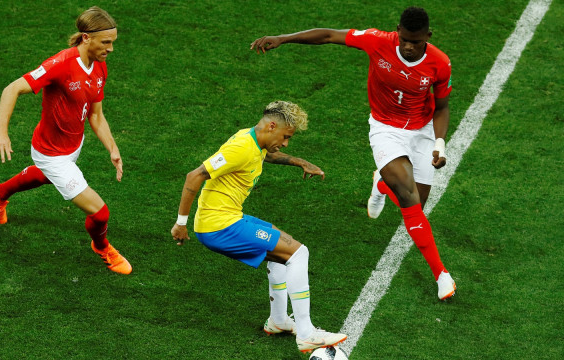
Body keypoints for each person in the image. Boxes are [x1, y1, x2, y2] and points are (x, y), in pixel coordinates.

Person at [250, 7, 456, 300]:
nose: (408, 47)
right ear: (397, 31)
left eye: (416, 42)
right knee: (409, 197)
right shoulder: (377, 41)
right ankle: (441, 274)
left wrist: (439, 143)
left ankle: (382, 183)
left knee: (415, 205)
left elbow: (443, 106)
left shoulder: (440, 63)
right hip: (386, 128)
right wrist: (283, 38)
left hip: (422, 131)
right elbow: (328, 36)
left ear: (428, 36)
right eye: (404, 39)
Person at [170, 101, 347, 353]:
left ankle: (278, 321)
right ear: (272, 126)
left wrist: (299, 162)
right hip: (219, 225)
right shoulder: (241, 147)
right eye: (286, 137)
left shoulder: (253, 138)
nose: (286, 143)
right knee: (298, 253)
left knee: (280, 250)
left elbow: (267, 154)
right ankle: (307, 333)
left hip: (227, 218)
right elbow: (194, 175)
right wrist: (181, 223)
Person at [0, 6, 131, 275]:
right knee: (100, 213)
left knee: (43, 177)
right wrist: (1, 133)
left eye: (113, 42)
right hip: (51, 152)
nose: (110, 49)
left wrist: (113, 147)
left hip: (74, 144)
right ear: (86, 38)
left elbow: (96, 115)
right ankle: (102, 247)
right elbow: (12, 88)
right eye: (106, 42)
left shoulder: (99, 66)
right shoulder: (60, 64)